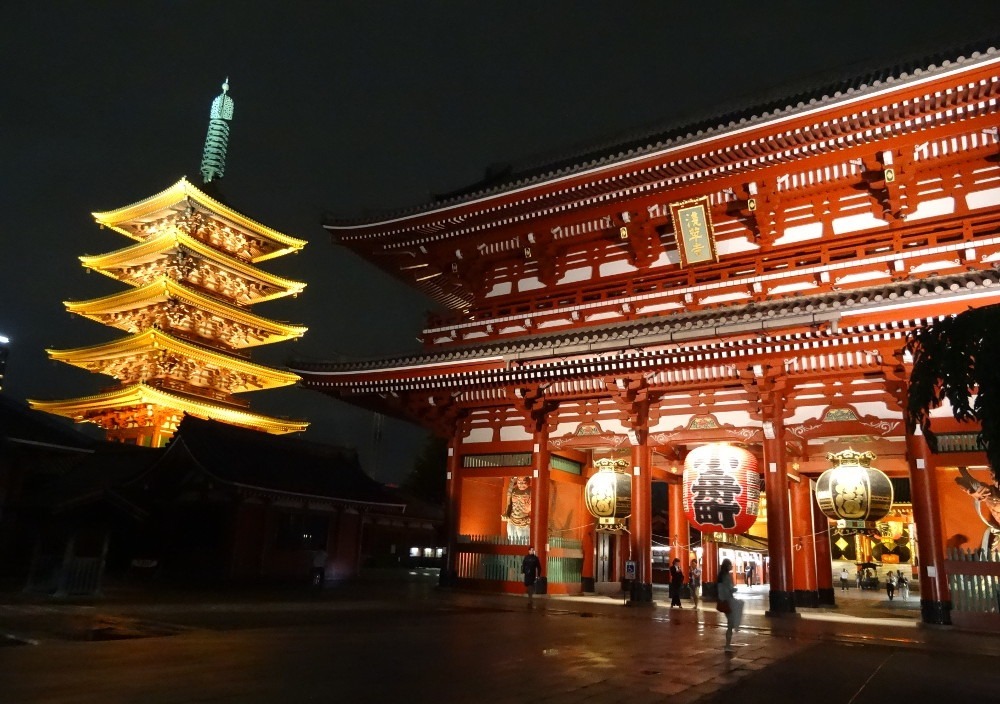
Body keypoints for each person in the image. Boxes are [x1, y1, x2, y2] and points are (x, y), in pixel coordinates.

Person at [717, 558, 744, 653]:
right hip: (727, 601)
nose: (731, 566)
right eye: (730, 565)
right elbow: (729, 589)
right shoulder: (727, 576)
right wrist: (733, 590)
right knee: (730, 623)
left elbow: (720, 589)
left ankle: (727, 644)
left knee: (730, 623)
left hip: (723, 601)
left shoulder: (720, 575)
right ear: (727, 566)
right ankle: (727, 645)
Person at [502, 476, 532, 544]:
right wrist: (506, 513)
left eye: (523, 482)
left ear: (529, 481)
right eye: (519, 482)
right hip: (511, 520)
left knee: (523, 543)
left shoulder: (531, 491)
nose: (521, 484)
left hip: (523, 522)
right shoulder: (514, 490)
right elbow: (509, 502)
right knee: (512, 542)